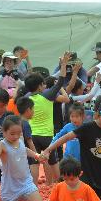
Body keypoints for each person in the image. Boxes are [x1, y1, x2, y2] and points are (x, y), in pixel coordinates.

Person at [24, 52, 76, 184]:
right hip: (47, 135)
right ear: (40, 85)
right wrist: (63, 64)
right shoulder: (47, 95)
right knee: (53, 161)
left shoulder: (26, 97)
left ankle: (33, 186)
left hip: (32, 135)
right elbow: (61, 81)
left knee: (34, 162)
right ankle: (60, 184)